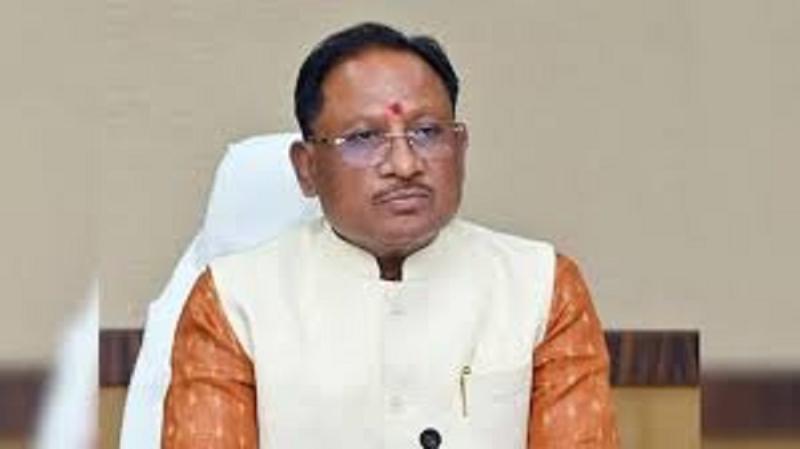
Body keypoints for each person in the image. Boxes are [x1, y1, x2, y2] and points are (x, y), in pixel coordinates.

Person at [160, 22, 619, 448]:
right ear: (307, 168)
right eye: (363, 138)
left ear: (460, 148)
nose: (405, 165)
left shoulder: (541, 287)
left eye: (426, 132)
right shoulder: (234, 300)